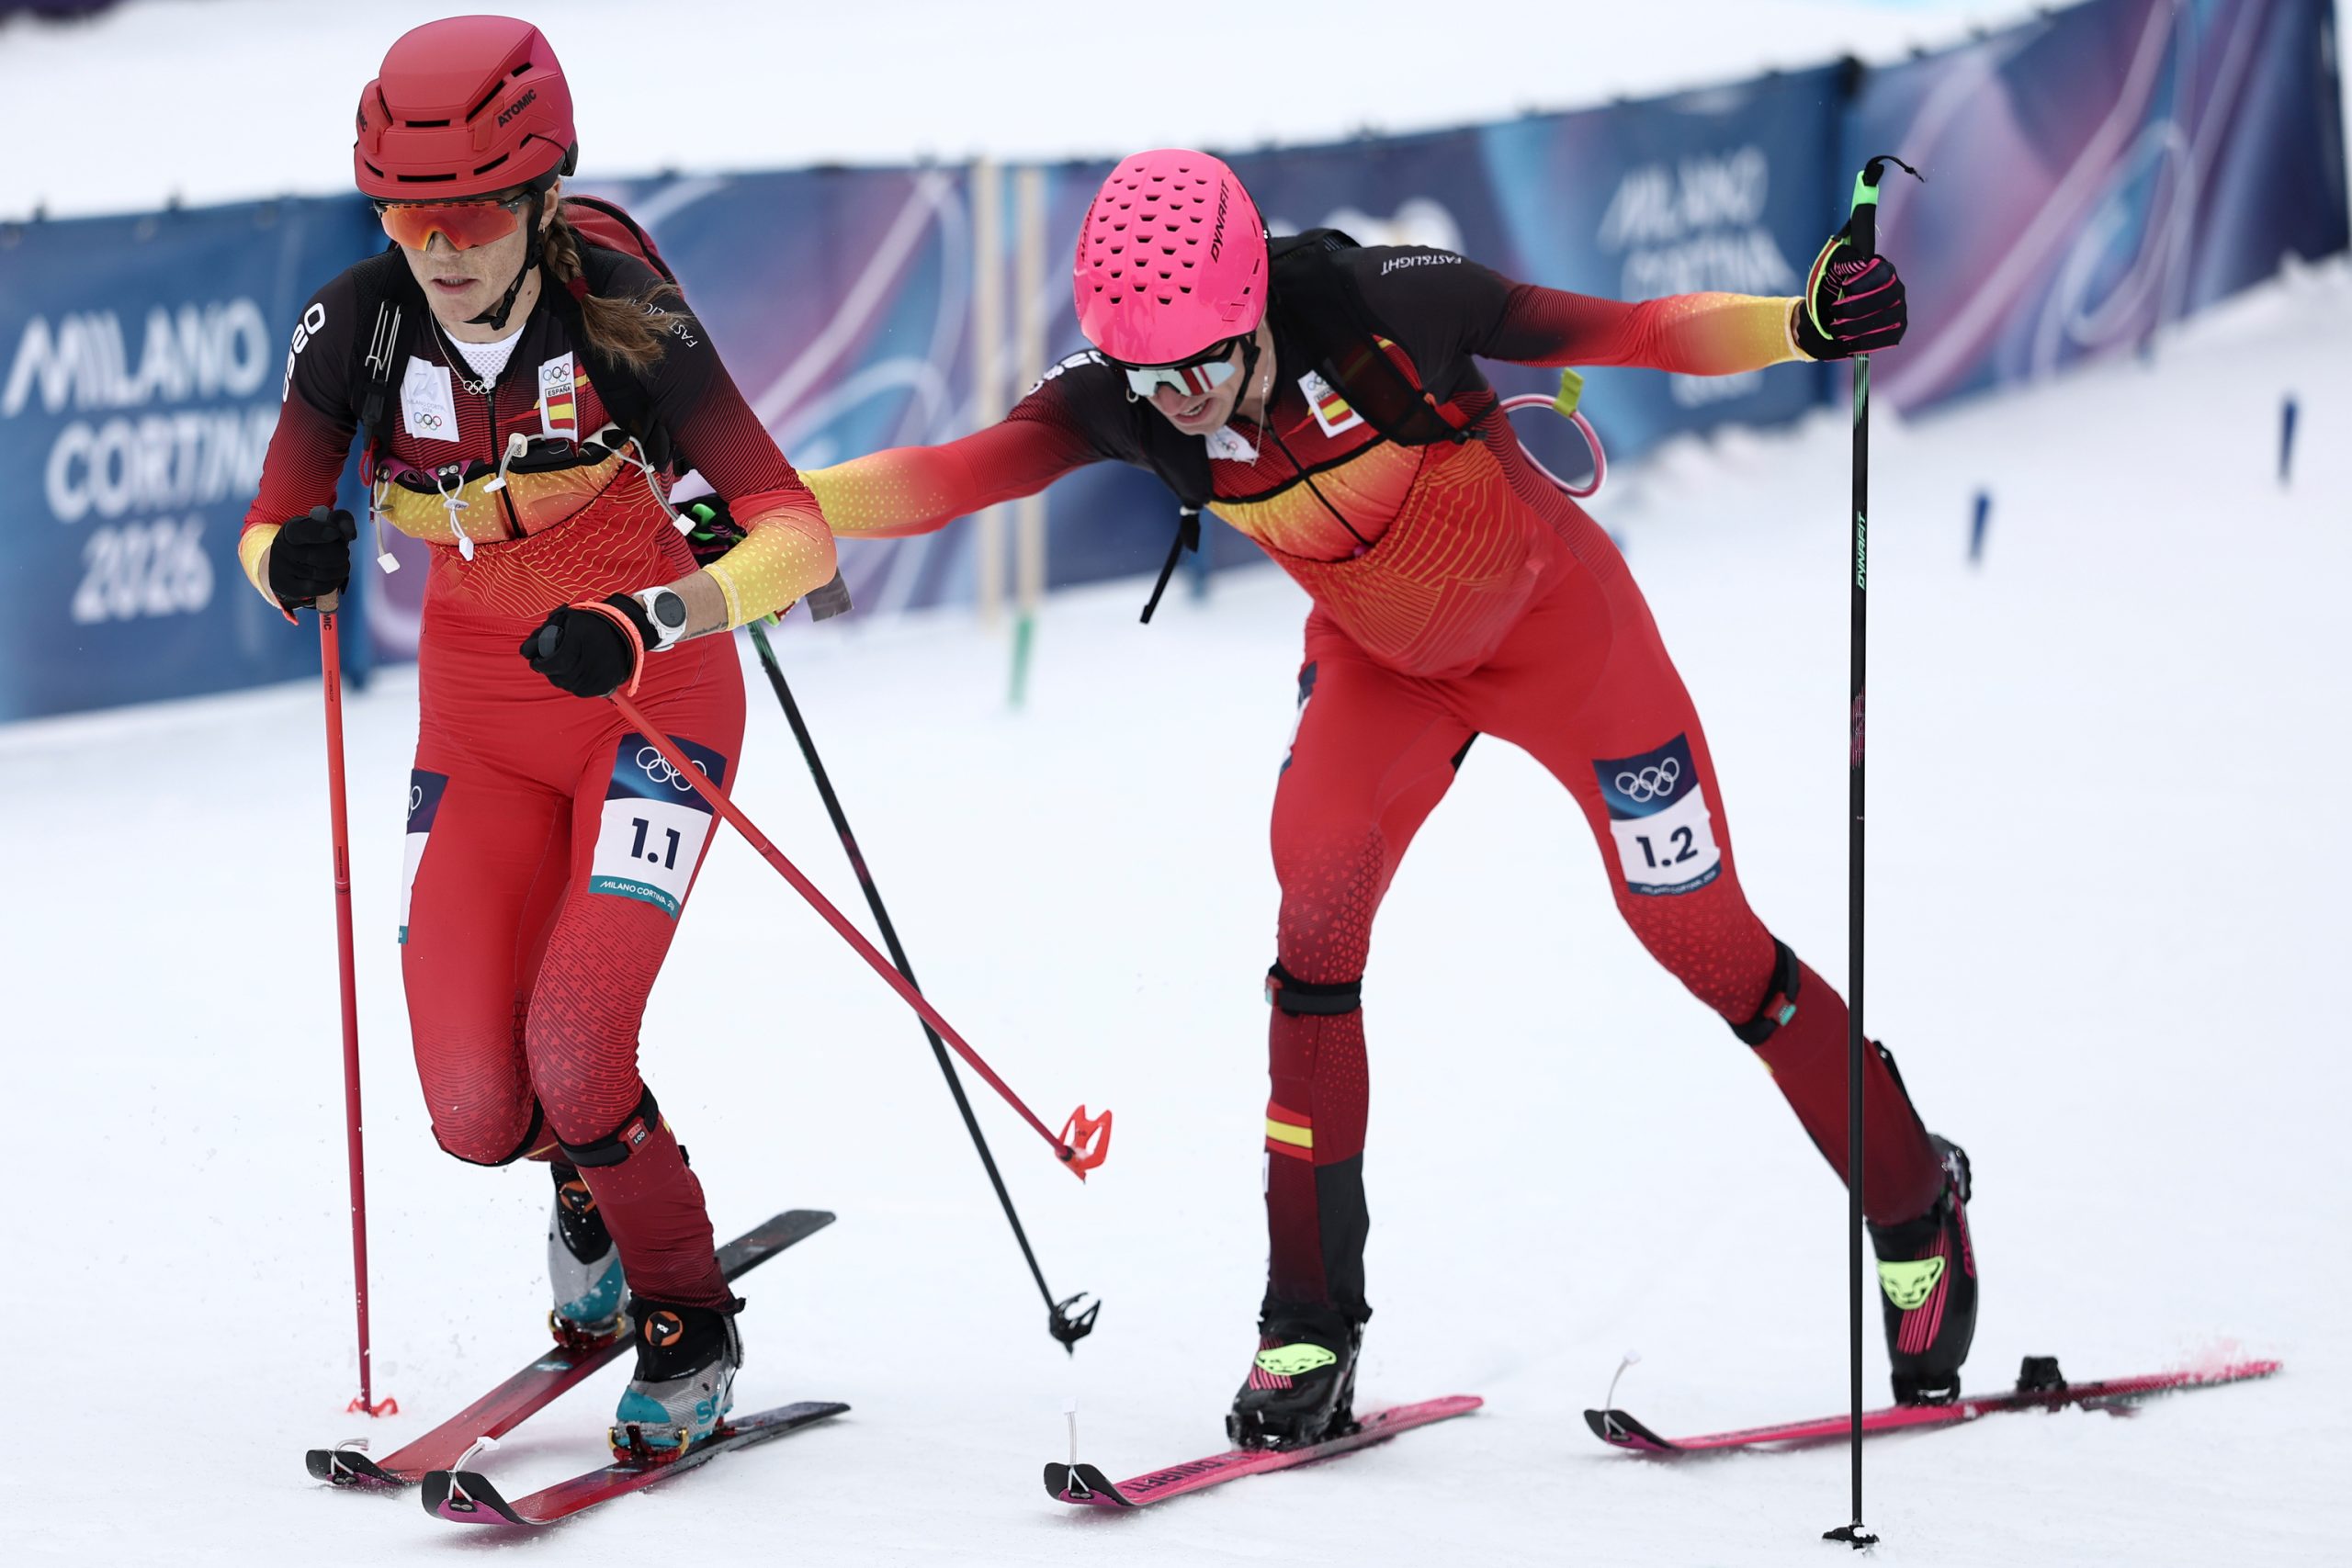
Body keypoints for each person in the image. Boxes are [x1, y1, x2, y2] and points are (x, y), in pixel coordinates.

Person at [798, 150, 1976, 1447]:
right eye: (1147, 377)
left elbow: (1630, 330)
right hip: (1382, 668)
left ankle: (1914, 1202)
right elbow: (955, 473)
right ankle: (1306, 1324)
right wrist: (778, 510)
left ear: (1250, 307)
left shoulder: (1386, 309)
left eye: (1197, 365)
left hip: (1562, 640)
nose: (1175, 402)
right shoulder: (1125, 400)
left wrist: (1800, 327)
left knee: (1701, 937)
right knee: (1315, 916)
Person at [242, 16, 838, 1457]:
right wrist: (289, 564)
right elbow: (268, 523)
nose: (439, 247)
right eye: (407, 214)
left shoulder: (626, 316)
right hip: (481, 721)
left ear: (541, 194)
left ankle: (688, 1323)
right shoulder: (355, 324)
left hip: (648, 705)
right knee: (471, 1107)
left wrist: (658, 615)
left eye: (473, 213)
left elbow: (799, 538)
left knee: (578, 1045)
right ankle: (590, 1178)